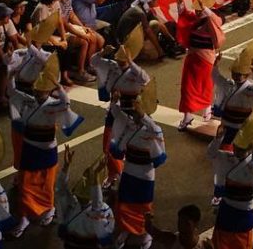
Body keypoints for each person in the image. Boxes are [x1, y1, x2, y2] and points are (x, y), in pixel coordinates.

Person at [9, 55, 85, 237]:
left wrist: (59, 87)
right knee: (26, 181)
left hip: (46, 148)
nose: (37, 94)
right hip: (29, 146)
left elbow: (67, 103)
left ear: (48, 92)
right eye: (36, 91)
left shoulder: (54, 105)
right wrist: (11, 75)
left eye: (41, 92)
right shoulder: (29, 101)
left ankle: (48, 209)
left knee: (46, 181)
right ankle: (25, 214)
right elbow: (12, 93)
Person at [90, 25, 149, 190]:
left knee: (131, 146)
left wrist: (131, 63)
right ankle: (113, 173)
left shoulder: (135, 73)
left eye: (123, 59)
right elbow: (93, 62)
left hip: (132, 113)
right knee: (108, 145)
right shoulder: (112, 66)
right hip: (115, 110)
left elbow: (146, 80)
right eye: (118, 58)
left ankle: (129, 174)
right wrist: (102, 52)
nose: (119, 61)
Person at [108, 79, 166, 249]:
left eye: (136, 111)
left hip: (145, 175)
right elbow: (117, 113)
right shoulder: (129, 124)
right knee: (125, 203)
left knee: (143, 207)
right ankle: (126, 229)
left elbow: (156, 130)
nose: (132, 113)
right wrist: (114, 100)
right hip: (129, 171)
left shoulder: (153, 129)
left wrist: (143, 117)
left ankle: (144, 233)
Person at [207, 112, 253, 249]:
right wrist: (217, 139)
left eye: (240, 146)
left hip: (243, 217)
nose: (236, 148)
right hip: (226, 212)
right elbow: (210, 153)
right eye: (236, 145)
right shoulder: (227, 158)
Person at [176, 0, 225, 131]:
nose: (196, 11)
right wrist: (181, 5)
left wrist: (205, 9)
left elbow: (217, 21)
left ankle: (204, 110)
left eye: (199, 9)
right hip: (195, 57)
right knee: (191, 87)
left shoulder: (211, 20)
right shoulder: (195, 18)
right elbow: (185, 17)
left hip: (204, 58)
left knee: (200, 87)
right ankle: (192, 114)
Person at [211, 39, 253, 146]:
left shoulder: (249, 88)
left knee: (238, 148)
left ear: (246, 75)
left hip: (241, 125)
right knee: (223, 146)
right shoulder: (229, 84)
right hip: (226, 122)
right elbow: (216, 77)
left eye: (239, 74)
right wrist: (215, 64)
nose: (235, 76)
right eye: (234, 73)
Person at [55, 147, 116, 249]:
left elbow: (97, 207)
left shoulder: (103, 210)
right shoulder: (73, 202)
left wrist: (96, 175)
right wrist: (66, 166)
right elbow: (61, 190)